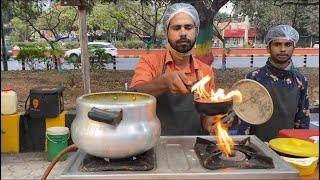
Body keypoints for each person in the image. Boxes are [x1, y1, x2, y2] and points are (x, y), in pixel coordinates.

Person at [129, 3, 215, 135]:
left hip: (195, 148)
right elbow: (134, 96)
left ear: (196, 31)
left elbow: (205, 116)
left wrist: (212, 124)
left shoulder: (205, 71)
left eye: (188, 27)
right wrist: (164, 82)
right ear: (166, 32)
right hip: (157, 145)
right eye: (176, 28)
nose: (183, 33)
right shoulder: (150, 62)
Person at [236, 25, 310, 142]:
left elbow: (302, 120)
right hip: (258, 149)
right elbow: (244, 120)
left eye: (288, 44)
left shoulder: (300, 80)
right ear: (268, 48)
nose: (282, 49)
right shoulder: (254, 78)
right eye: (277, 44)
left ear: (294, 47)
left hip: (288, 149)